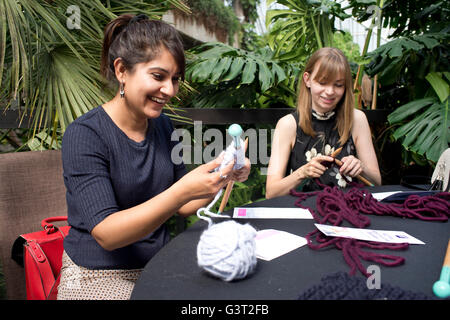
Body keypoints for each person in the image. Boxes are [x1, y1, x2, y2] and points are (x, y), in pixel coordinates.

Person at [57, 14, 250, 300]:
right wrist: (179, 192)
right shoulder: (85, 134)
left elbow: (185, 205)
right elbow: (106, 234)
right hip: (95, 274)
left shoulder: (162, 125)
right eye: (158, 76)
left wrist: (225, 173)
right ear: (122, 70)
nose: (169, 90)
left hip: (158, 265)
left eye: (175, 80)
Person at [266, 47, 381, 198]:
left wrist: (360, 168)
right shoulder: (288, 124)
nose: (330, 91)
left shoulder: (357, 119)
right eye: (322, 82)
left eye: (338, 85)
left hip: (350, 212)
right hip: (303, 214)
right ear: (307, 80)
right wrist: (302, 173)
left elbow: (377, 183)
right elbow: (271, 192)